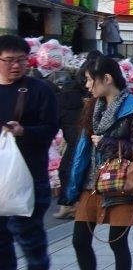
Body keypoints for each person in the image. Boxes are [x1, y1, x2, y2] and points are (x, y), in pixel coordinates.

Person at [62, 56, 133, 270]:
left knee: (117, 242)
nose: (88, 86)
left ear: (107, 79)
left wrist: (107, 143)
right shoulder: (93, 107)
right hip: (91, 183)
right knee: (80, 239)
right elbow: (82, 146)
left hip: (122, 185)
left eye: (91, 80)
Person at [0, 35, 59, 270]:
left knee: (29, 231)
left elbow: (50, 129)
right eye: (9, 61)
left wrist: (24, 132)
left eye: (21, 60)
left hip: (30, 174)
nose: (16, 66)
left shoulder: (38, 90)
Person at [53, 66, 90, 219]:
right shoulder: (88, 97)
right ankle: (73, 206)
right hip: (82, 139)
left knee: (68, 171)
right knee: (76, 171)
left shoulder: (63, 96)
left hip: (74, 139)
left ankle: (69, 206)